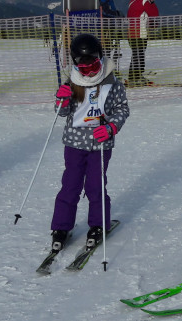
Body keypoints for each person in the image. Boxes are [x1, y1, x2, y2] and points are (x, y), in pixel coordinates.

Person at [49, 32, 130, 253]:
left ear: (100, 58)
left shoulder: (111, 82)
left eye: (93, 65)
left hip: (99, 145)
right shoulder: (72, 82)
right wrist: (61, 99)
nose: (89, 71)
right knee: (70, 186)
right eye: (83, 68)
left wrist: (111, 127)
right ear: (76, 65)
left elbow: (122, 109)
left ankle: (98, 224)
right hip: (74, 145)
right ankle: (61, 227)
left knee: (95, 186)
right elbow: (62, 112)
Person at [125, 0, 158, 87]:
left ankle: (133, 76)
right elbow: (153, 14)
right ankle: (137, 77)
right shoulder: (146, 1)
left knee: (135, 54)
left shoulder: (132, 1)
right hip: (140, 32)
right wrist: (152, 3)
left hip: (130, 31)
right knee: (140, 54)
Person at [98, 0, 123, 74]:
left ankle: (107, 69)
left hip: (109, 24)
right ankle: (105, 70)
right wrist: (115, 14)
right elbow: (104, 10)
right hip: (105, 25)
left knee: (108, 47)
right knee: (106, 48)